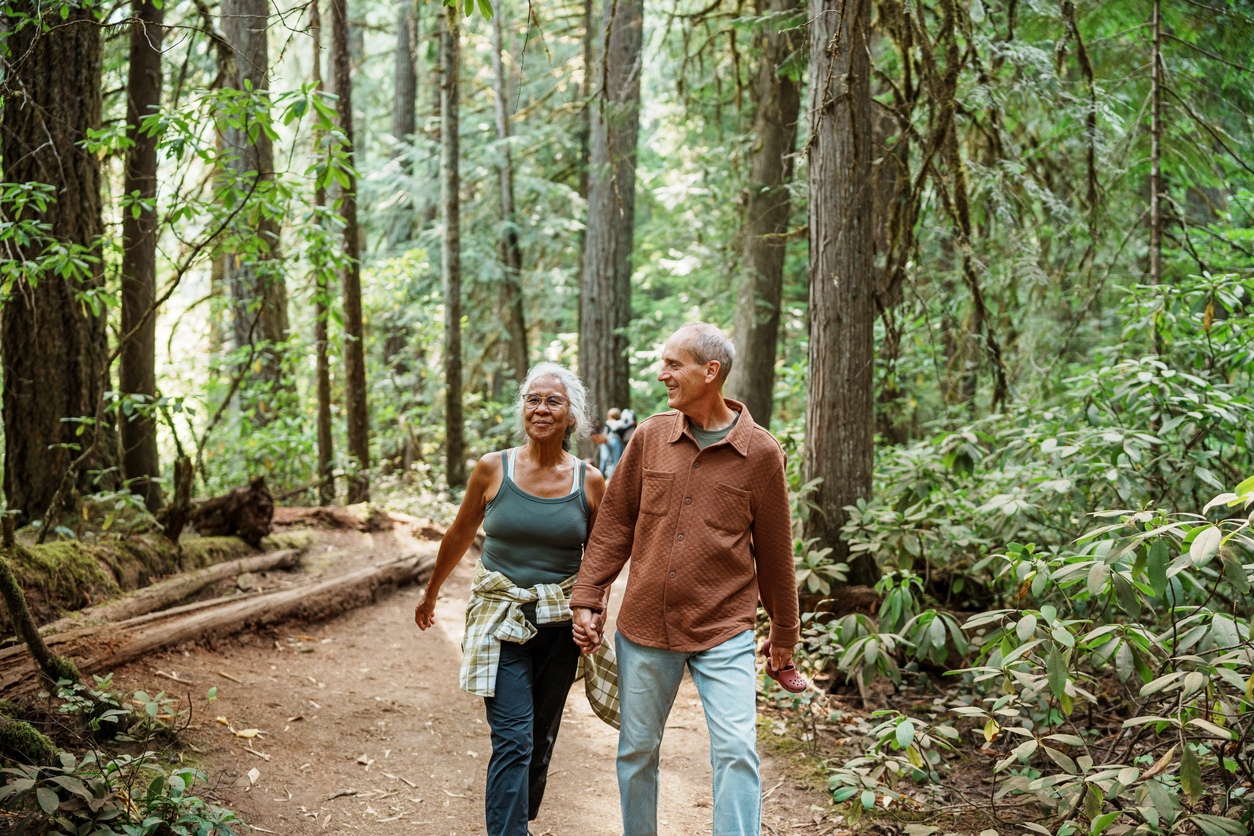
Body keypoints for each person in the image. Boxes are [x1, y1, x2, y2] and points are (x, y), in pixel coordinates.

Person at [570, 322, 800, 836]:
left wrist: (784, 633)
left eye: (674, 365)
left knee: (737, 749)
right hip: (647, 625)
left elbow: (775, 554)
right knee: (636, 749)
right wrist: (588, 595)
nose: (662, 374)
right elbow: (614, 524)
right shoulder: (651, 436)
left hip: (726, 628)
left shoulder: (761, 453)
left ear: (710, 371)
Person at [414, 362, 619, 836]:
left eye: (553, 401)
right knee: (512, 738)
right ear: (522, 409)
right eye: (533, 399)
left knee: (540, 736)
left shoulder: (588, 481)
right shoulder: (493, 468)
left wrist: (593, 608)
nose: (541, 408)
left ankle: (514, 816)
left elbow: (603, 556)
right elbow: (460, 532)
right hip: (499, 619)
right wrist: (431, 594)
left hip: (559, 627)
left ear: (571, 417)